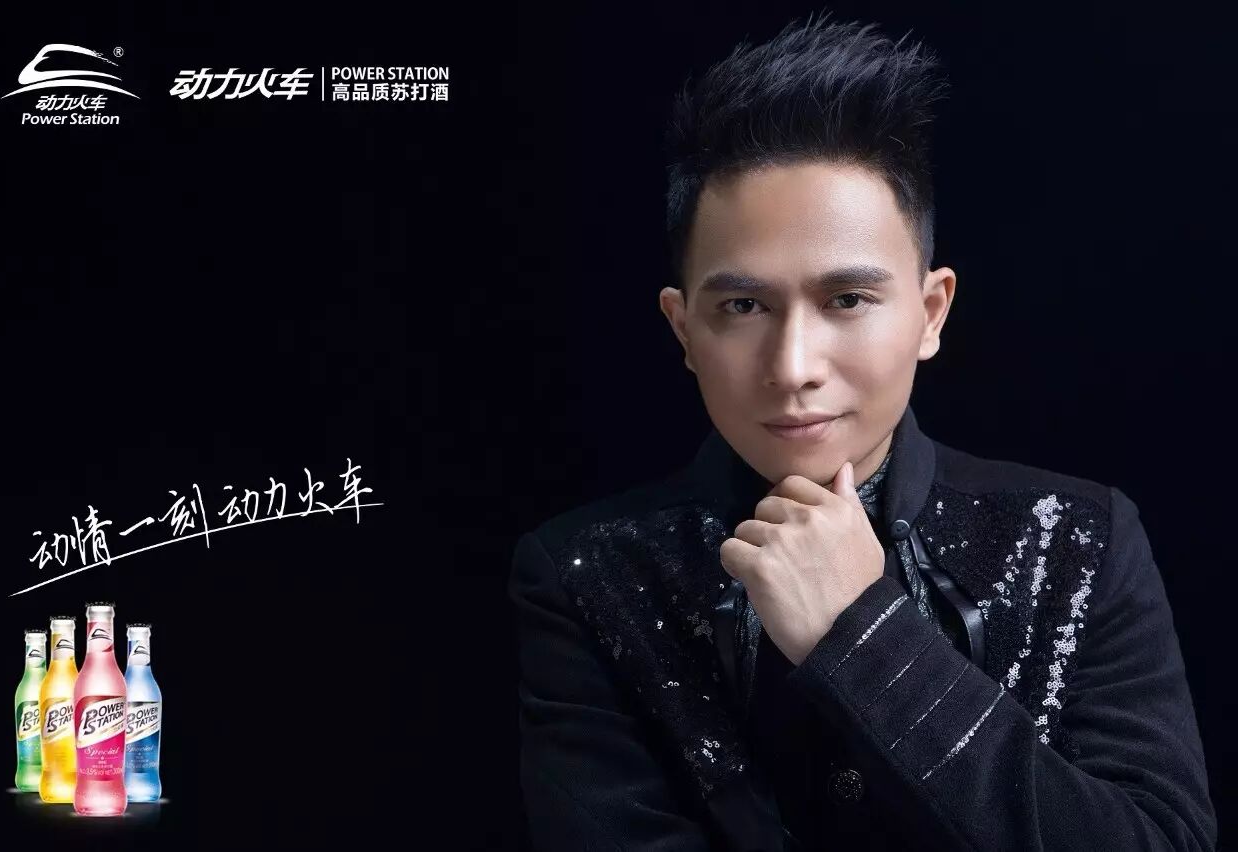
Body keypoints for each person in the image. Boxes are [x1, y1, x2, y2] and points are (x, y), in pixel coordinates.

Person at [507, 12, 1216, 851]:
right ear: (683, 329)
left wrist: (862, 628)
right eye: (743, 306)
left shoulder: (1081, 537)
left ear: (930, 312)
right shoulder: (587, 573)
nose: (793, 365)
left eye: (846, 300)